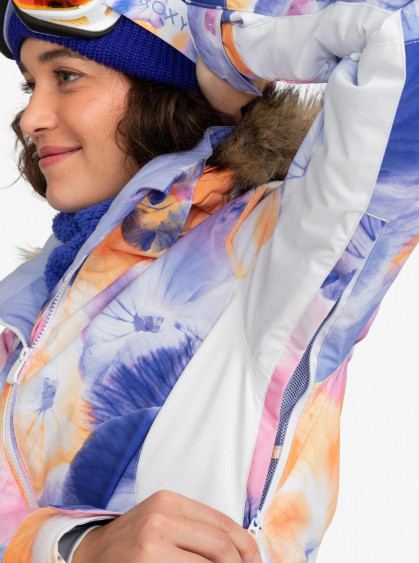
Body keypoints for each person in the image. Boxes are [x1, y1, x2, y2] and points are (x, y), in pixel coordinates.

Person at [0, 0, 418, 561]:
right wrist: (71, 545)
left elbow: (400, 31)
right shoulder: (30, 293)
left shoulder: (282, 247)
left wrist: (228, 45)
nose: (29, 118)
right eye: (31, 85)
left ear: (161, 86)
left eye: (67, 77)